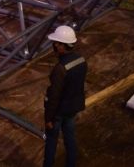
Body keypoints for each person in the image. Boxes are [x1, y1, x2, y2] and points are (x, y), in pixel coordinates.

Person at [43, 25, 87, 167]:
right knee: (70, 138)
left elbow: (54, 96)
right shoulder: (81, 60)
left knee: (51, 142)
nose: (54, 46)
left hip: (58, 112)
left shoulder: (60, 69)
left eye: (56, 43)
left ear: (62, 46)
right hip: (72, 108)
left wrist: (49, 118)